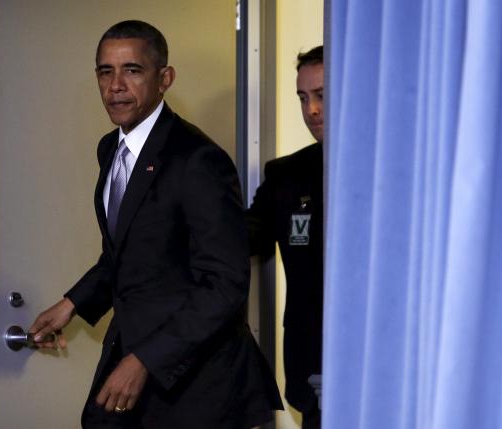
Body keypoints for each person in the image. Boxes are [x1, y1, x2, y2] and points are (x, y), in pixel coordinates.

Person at [29, 20, 282, 429]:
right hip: (143, 360)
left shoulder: (197, 159)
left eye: (132, 70)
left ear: (164, 78)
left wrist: (146, 359)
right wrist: (71, 304)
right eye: (104, 71)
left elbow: (225, 283)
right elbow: (127, 252)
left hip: (200, 384)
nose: (115, 85)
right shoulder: (111, 148)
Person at [246, 45, 324, 429]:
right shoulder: (288, 175)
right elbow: (244, 238)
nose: (312, 110)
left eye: (322, 95)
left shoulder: (403, 168)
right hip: (313, 368)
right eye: (303, 97)